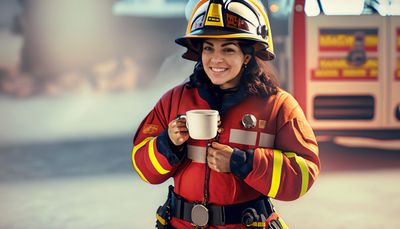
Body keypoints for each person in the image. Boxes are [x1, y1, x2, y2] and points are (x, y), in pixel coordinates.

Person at [131, 0, 320, 228]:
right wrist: (167, 144)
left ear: (247, 56)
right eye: (208, 48)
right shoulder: (174, 100)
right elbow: (143, 166)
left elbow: (304, 173)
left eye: (228, 49)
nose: (216, 59)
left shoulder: (278, 106)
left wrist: (243, 163)